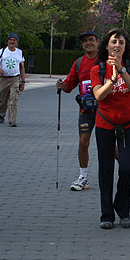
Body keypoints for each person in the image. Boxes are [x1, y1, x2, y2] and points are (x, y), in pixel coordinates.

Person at [90, 28, 130, 230]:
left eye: (121, 42)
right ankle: (107, 214)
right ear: (107, 46)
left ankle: (123, 207)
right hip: (104, 125)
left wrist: (121, 70)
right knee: (106, 170)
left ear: (125, 47)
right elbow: (98, 95)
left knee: (127, 168)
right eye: (114, 42)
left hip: (128, 125)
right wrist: (111, 78)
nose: (117, 45)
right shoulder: (97, 70)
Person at [56, 31, 100, 191]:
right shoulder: (79, 63)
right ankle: (83, 177)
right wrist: (62, 85)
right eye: (85, 41)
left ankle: (125, 171)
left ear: (98, 42)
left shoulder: (105, 60)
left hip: (105, 110)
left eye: (91, 40)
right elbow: (69, 85)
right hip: (86, 110)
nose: (88, 43)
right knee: (83, 142)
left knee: (110, 145)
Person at [0, 33, 26, 127]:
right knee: (3, 100)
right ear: (7, 41)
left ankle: (12, 120)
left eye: (14, 40)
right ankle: (2, 114)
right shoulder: (2, 51)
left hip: (15, 79)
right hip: (2, 79)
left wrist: (23, 82)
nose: (12, 41)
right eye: (10, 40)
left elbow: (22, 68)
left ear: (16, 42)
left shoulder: (19, 52)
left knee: (13, 99)